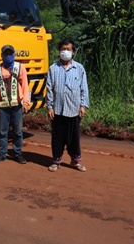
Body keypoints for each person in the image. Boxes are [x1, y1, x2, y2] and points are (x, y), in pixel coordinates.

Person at [46, 38, 89, 172]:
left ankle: (74, 161)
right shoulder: (53, 68)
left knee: (74, 137)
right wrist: (50, 106)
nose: (65, 52)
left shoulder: (79, 68)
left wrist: (83, 105)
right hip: (58, 110)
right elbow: (49, 88)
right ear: (59, 51)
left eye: (68, 49)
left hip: (74, 109)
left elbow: (84, 88)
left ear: (73, 52)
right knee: (57, 137)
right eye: (63, 49)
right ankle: (56, 161)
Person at [0, 44, 30, 164]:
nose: (8, 56)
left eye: (10, 54)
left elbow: (25, 86)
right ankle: (2, 153)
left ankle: (18, 153)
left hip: (17, 105)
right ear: (2, 55)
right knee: (3, 131)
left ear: (14, 54)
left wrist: (26, 102)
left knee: (18, 131)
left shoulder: (20, 67)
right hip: (2, 106)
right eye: (5, 54)